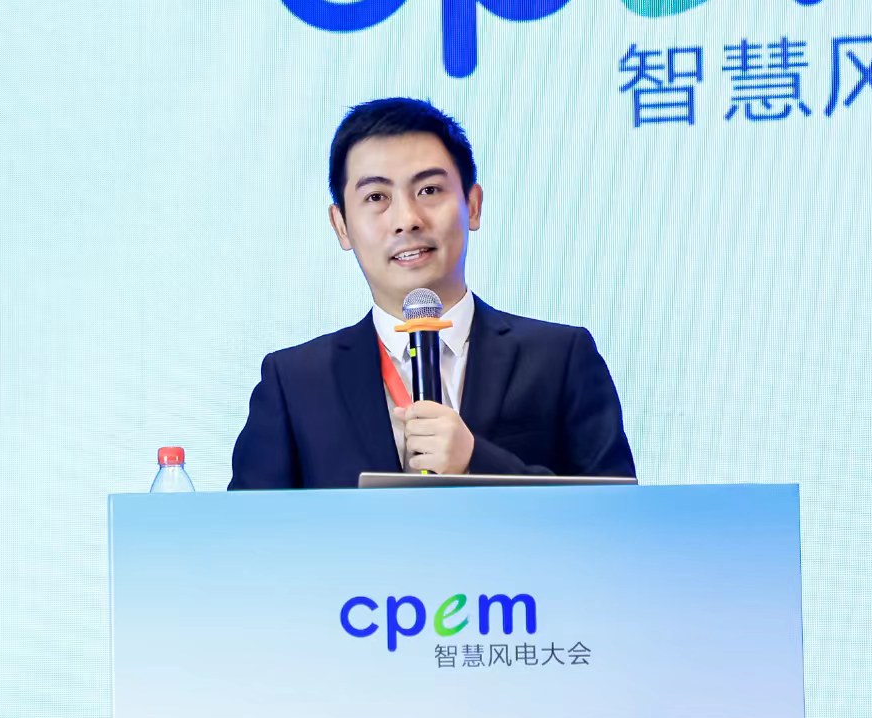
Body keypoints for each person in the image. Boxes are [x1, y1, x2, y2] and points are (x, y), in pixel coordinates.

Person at [229, 98, 636, 489]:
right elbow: (247, 528)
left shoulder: (560, 357)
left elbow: (616, 515)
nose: (407, 219)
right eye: (376, 197)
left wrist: (476, 461)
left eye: (428, 190)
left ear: (472, 205)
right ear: (341, 226)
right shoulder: (295, 382)